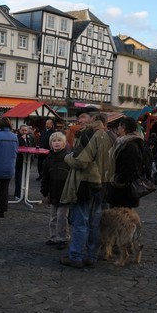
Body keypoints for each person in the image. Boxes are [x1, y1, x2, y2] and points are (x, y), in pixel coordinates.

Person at [61, 111, 115, 268]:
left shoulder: (89, 134)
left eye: (83, 117)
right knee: (95, 223)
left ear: (92, 119)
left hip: (85, 183)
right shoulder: (111, 136)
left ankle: (76, 256)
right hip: (103, 184)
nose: (80, 120)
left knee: (81, 222)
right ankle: (92, 256)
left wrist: (67, 157)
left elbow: (80, 161)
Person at [39, 131, 70, 247]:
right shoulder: (48, 159)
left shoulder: (68, 158)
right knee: (53, 216)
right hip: (53, 191)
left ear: (64, 143)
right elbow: (45, 177)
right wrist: (44, 191)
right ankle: (53, 237)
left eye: (59, 141)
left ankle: (63, 238)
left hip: (65, 192)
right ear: (50, 144)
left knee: (62, 217)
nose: (56, 143)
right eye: (54, 141)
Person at [106, 116, 144, 208]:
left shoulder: (130, 145)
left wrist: (119, 180)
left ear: (123, 127)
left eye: (118, 126)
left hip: (124, 189)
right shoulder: (123, 142)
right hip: (120, 187)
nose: (117, 129)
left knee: (121, 215)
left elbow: (130, 167)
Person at [13, 124, 36, 199]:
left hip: (28, 160)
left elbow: (32, 146)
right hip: (19, 160)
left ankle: (24, 194)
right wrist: (21, 139)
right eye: (23, 130)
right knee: (19, 178)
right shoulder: (16, 137)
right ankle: (17, 194)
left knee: (25, 177)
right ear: (19, 130)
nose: (24, 132)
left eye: (26, 130)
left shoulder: (30, 137)